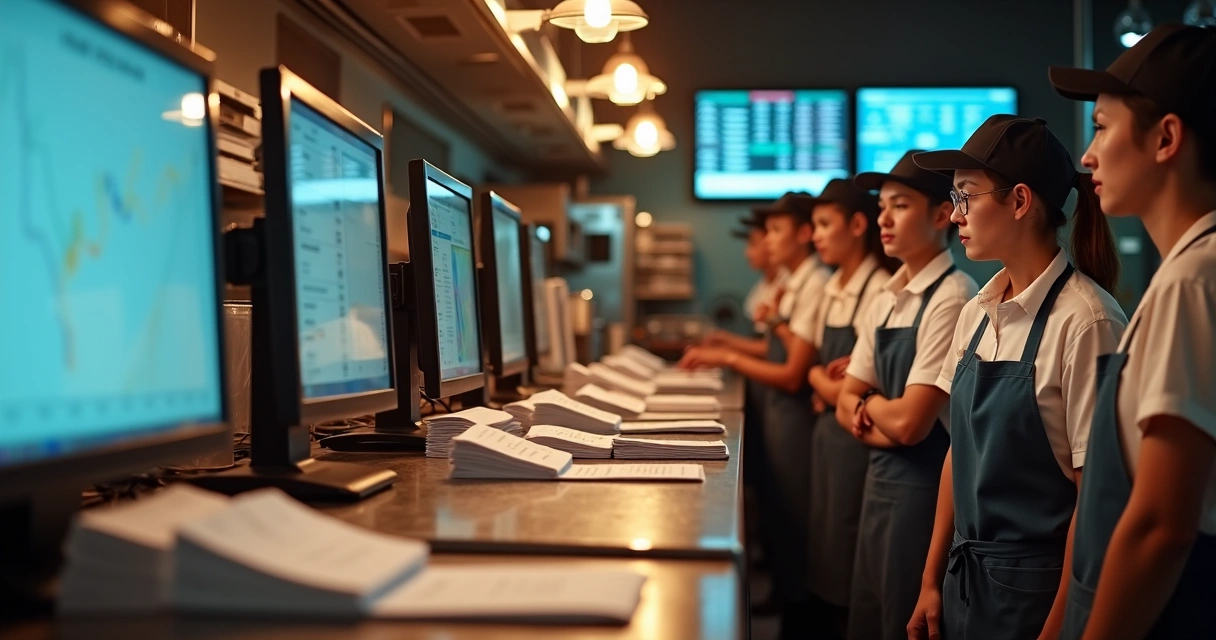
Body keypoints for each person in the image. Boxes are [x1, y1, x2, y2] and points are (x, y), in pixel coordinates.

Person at [905, 115, 1128, 640]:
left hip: (1037, 598)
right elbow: (959, 453)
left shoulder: (1089, 321)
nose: (955, 214)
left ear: (1020, 201)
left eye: (967, 196)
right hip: (966, 583)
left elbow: (1094, 497)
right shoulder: (978, 310)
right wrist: (931, 578)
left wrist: (1057, 626)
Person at [1048, 24, 1216, 640]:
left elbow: (1161, 524)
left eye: (1101, 127)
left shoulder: (1191, 280)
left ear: (1166, 138)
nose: (1087, 156)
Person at [834, 151, 977, 640]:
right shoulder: (886, 295)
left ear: (942, 215)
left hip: (923, 493)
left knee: (901, 623)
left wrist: (865, 404)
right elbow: (842, 400)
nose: (884, 219)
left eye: (900, 205)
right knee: (868, 616)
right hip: (878, 484)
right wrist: (875, 410)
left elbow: (913, 424)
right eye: (881, 207)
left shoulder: (953, 296)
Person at [789, 178, 896, 638]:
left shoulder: (880, 284)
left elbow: (842, 387)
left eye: (824, 224)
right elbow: (815, 365)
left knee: (852, 555)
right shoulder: (833, 284)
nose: (815, 236)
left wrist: (826, 384)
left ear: (857, 225)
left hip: (858, 442)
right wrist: (824, 380)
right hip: (828, 437)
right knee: (826, 547)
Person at [736, 209, 788, 335]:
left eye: (753, 244)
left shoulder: (787, 284)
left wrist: (728, 353)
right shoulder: (763, 283)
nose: (747, 253)